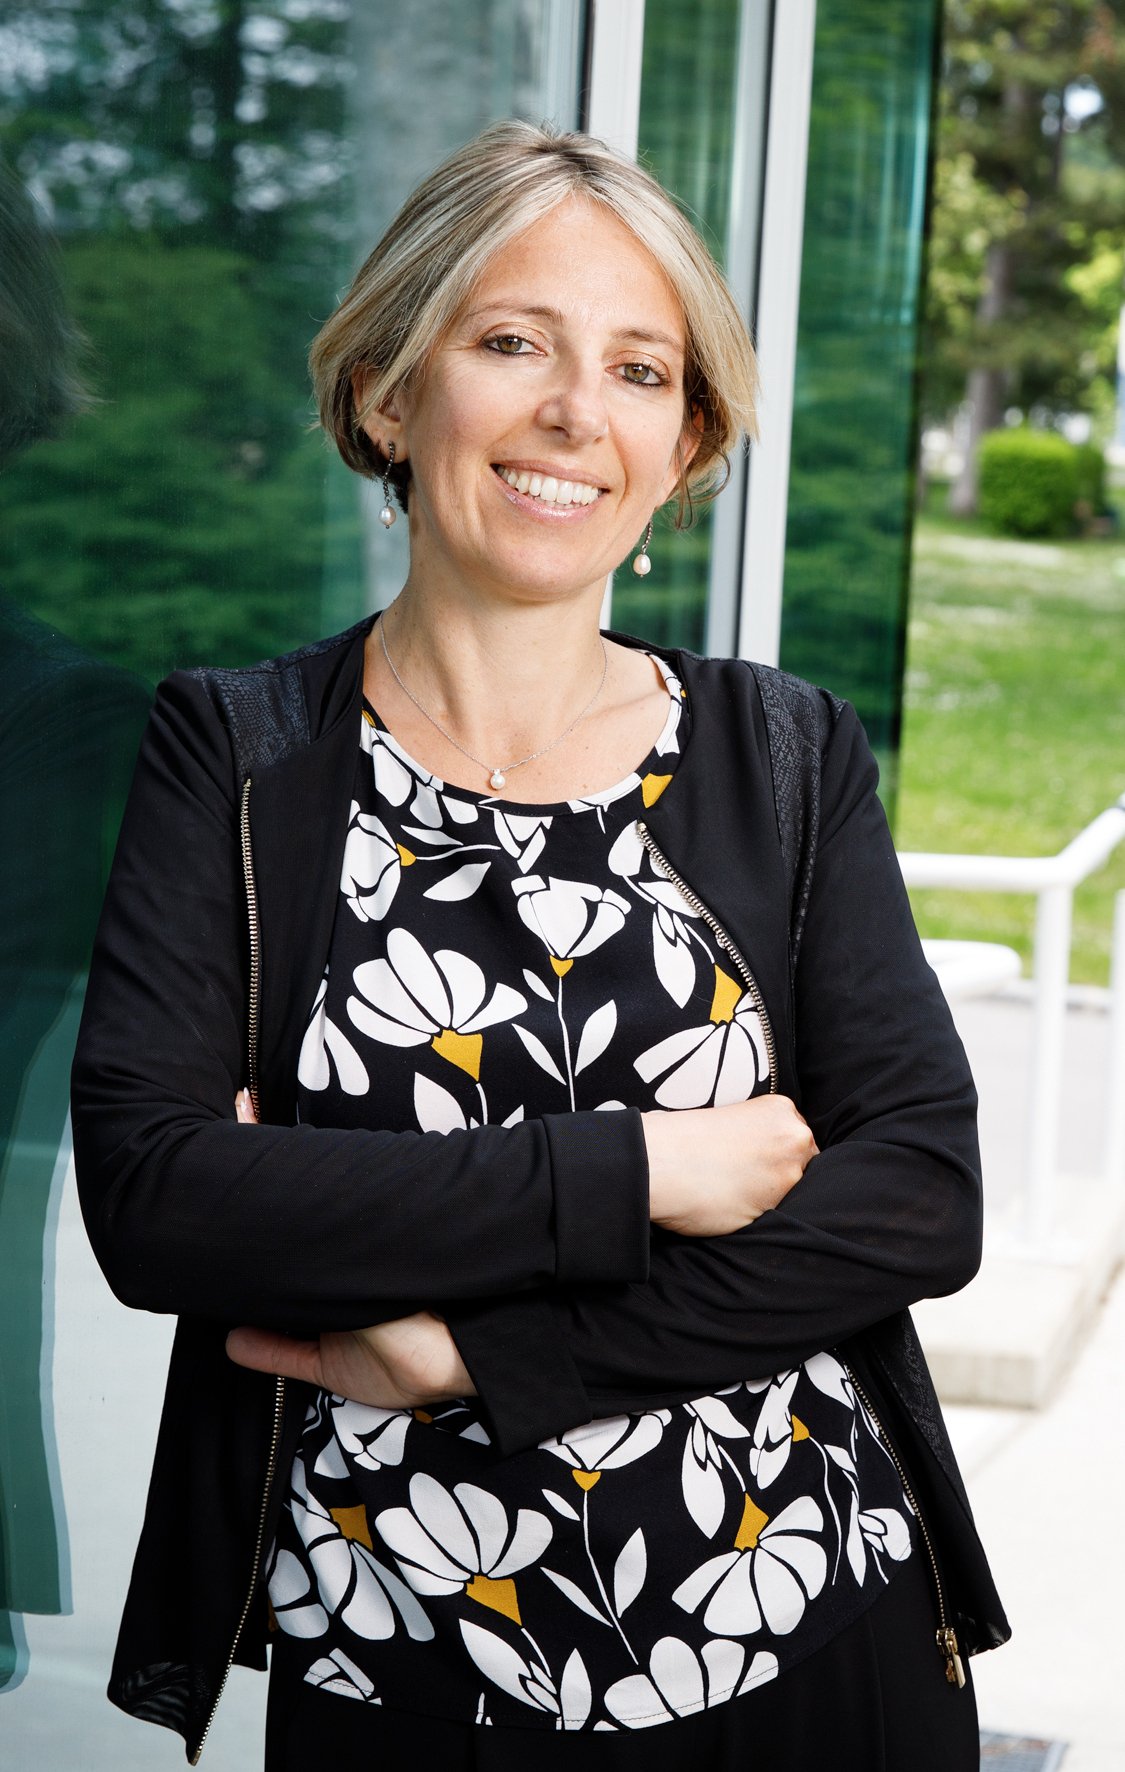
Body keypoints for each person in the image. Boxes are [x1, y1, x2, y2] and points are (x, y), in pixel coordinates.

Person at [71, 120, 1008, 1769]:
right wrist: (646, 1170)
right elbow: (159, 1203)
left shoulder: (784, 756)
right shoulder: (236, 755)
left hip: (810, 1651)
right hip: (402, 1683)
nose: (579, 413)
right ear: (386, 391)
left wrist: (475, 1348)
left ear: (683, 447)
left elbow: (917, 1194)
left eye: (642, 372)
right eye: (514, 344)